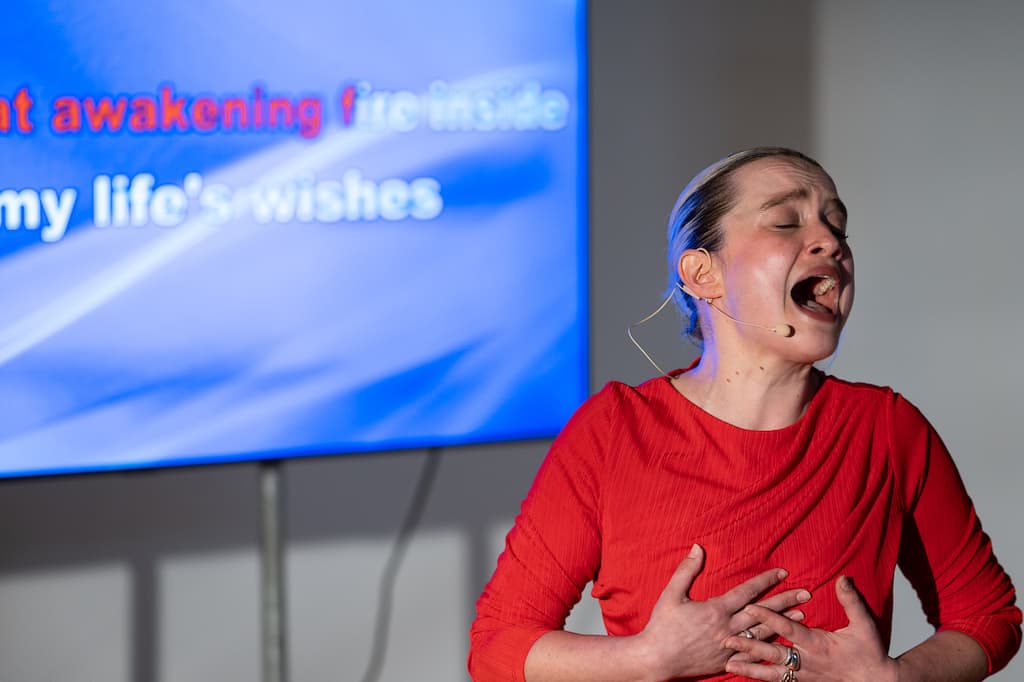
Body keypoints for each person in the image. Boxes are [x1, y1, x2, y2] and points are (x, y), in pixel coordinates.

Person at [467, 147, 1021, 681]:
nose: (830, 242)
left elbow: (989, 619)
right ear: (702, 274)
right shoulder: (614, 431)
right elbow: (497, 648)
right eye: (785, 222)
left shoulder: (887, 428)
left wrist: (893, 678)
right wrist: (648, 659)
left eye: (838, 228)